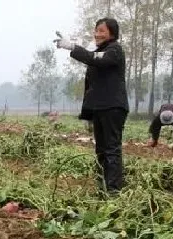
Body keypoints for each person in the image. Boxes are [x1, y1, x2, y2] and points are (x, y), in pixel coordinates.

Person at [54, 18, 129, 194]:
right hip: (99, 109)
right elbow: (91, 87)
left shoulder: (114, 50)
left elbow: (95, 59)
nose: (97, 34)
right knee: (101, 150)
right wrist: (88, 114)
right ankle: (102, 187)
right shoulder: (99, 53)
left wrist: (73, 47)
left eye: (102, 31)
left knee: (111, 149)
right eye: (96, 30)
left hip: (112, 108)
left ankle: (114, 191)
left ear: (112, 33)